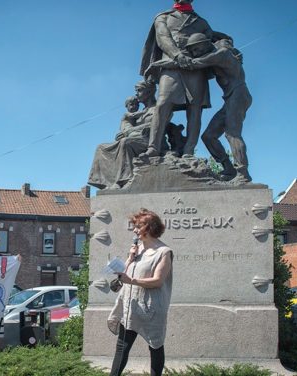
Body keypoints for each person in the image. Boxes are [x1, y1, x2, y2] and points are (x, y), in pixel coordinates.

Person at [139, 0, 213, 158]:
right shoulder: (163, 16)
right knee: (163, 105)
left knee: (195, 109)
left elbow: (209, 41)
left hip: (194, 68)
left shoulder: (201, 22)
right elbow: (162, 37)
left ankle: (189, 151)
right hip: (171, 65)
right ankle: (153, 148)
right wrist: (177, 55)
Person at [108, 209, 173, 376]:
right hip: (131, 306)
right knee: (122, 347)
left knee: (155, 347)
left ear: (149, 228)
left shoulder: (163, 252)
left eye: (138, 226)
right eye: (134, 226)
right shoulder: (137, 250)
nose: (134, 230)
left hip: (151, 309)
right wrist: (130, 258)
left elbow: (158, 281)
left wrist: (132, 281)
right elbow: (124, 276)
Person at [183, 33, 253, 182]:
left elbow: (193, 63)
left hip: (238, 94)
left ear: (205, 43)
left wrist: (163, 63)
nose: (195, 53)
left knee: (232, 134)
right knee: (208, 136)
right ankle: (229, 169)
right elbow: (228, 39)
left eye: (196, 49)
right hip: (230, 98)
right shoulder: (222, 49)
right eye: (193, 51)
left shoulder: (220, 53)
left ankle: (243, 174)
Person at [88, 80, 157, 189]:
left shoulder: (158, 108)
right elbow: (128, 126)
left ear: (149, 92)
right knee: (101, 147)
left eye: (139, 91)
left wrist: (128, 132)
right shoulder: (140, 111)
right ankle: (104, 182)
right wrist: (124, 133)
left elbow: (154, 125)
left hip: (149, 141)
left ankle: (124, 180)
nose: (136, 94)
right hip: (134, 139)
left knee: (125, 142)